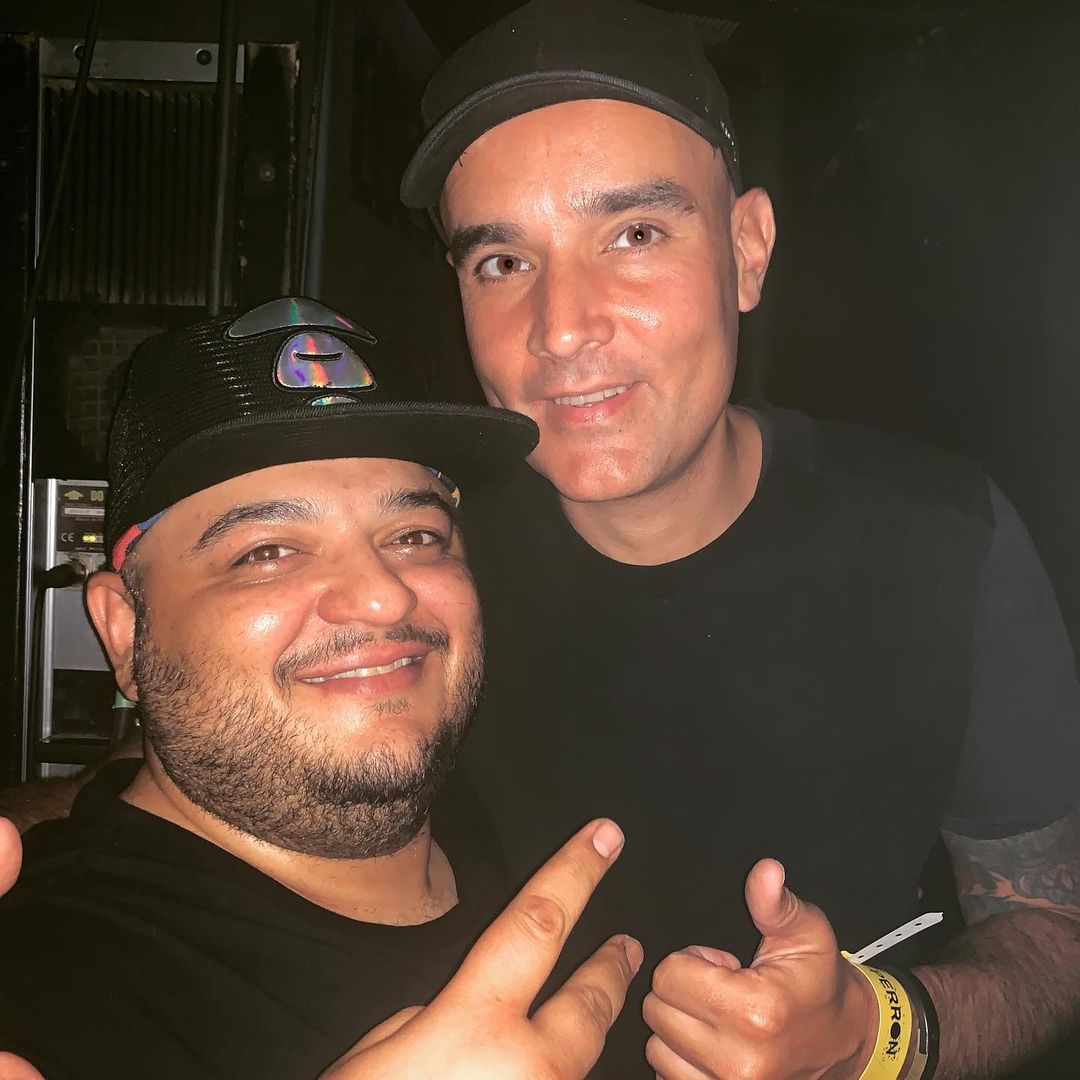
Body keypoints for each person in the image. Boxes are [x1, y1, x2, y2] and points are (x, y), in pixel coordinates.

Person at [396, 0, 1080, 1076]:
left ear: (747, 250)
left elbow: (1050, 931)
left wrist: (874, 1036)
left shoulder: (945, 538)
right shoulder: (415, 583)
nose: (562, 328)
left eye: (634, 234)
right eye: (502, 262)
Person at [0, 297, 645, 1079]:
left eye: (416, 536)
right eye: (267, 551)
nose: (383, 596)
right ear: (124, 630)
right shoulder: (45, 984)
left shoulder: (521, 810)